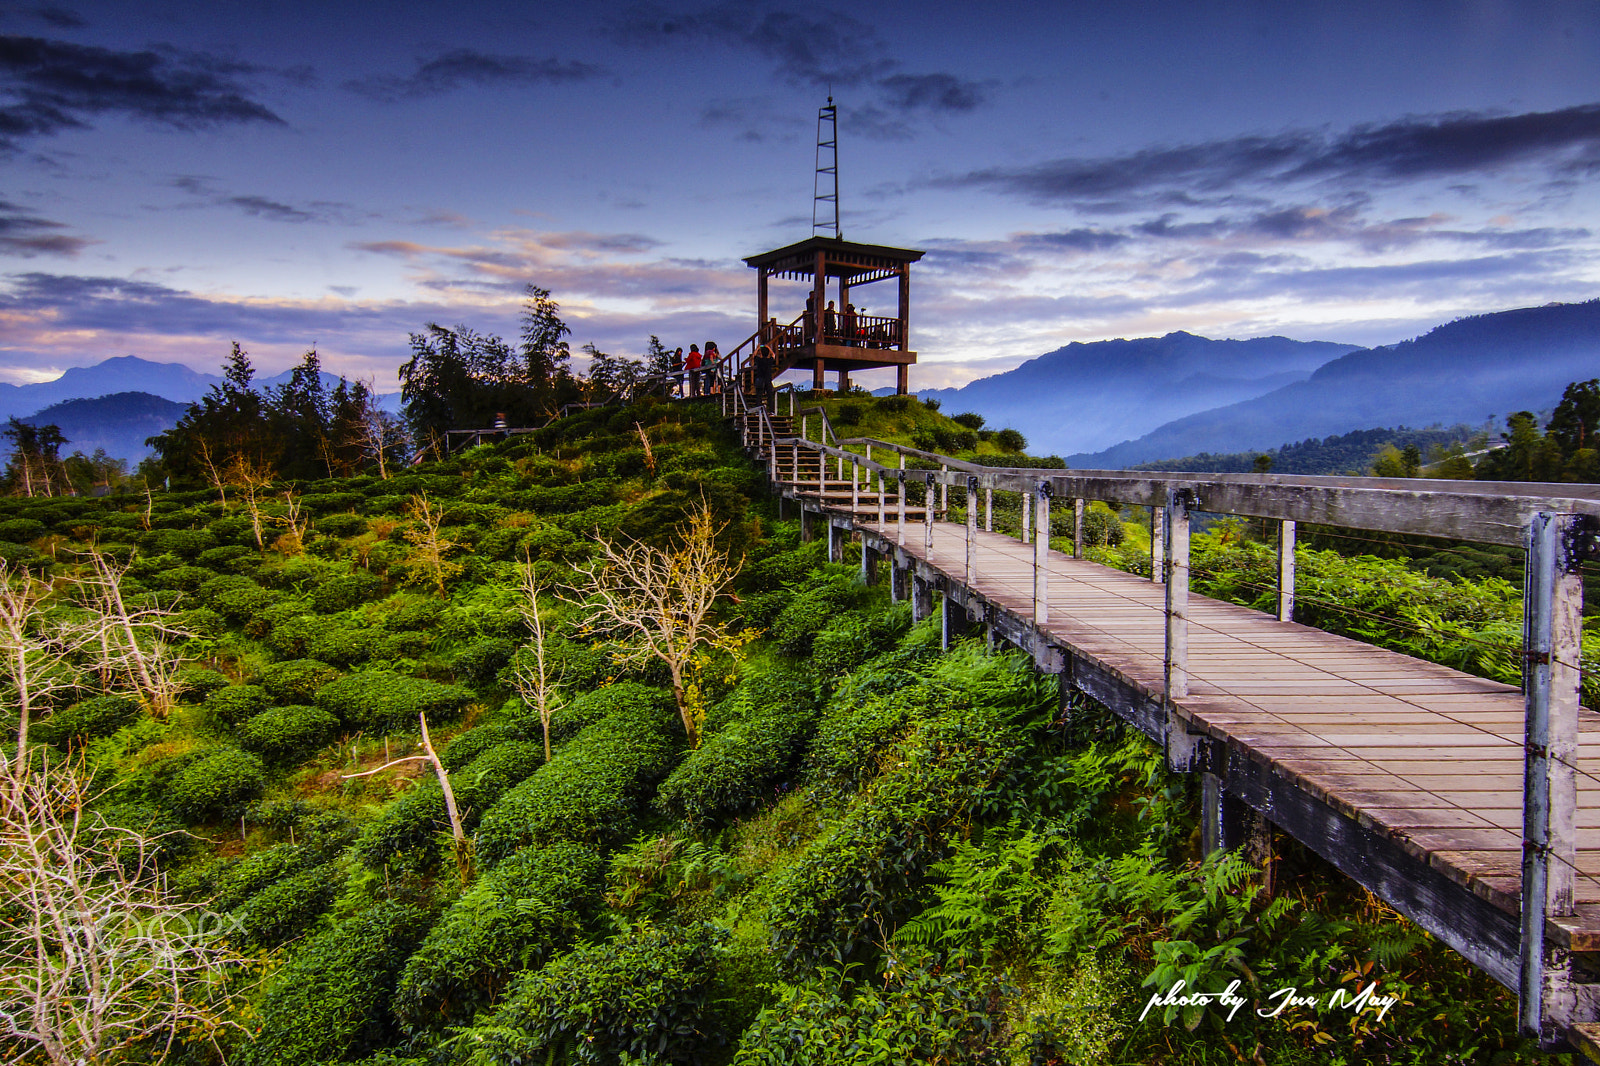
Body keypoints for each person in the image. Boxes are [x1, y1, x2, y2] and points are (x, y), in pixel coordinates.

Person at [751, 343, 777, 410]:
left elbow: (754, 356)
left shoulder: (759, 360)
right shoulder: (769, 361)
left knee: (759, 395)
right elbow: (774, 355)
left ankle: (757, 410)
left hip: (760, 379)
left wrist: (757, 348)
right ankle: (771, 410)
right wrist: (769, 348)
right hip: (767, 379)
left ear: (761, 353)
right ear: (768, 354)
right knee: (769, 396)